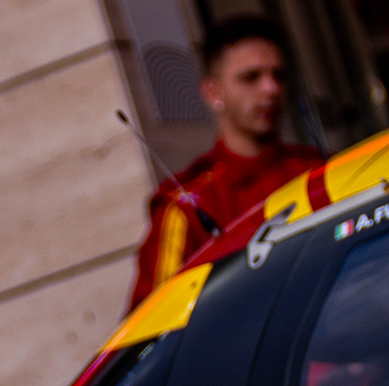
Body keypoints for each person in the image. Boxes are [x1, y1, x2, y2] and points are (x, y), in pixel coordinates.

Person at [130, 15, 326, 304]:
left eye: (279, 75)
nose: (271, 89)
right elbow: (158, 319)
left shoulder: (316, 170)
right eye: (251, 77)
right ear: (213, 93)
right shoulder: (187, 205)